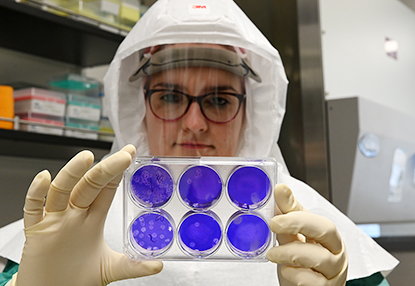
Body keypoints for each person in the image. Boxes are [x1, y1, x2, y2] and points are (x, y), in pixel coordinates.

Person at [0, 0, 398, 285]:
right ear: (137, 109)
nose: (194, 124)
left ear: (251, 114)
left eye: (219, 100)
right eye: (170, 97)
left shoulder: (315, 235)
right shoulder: (69, 230)